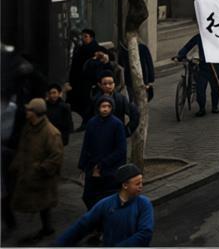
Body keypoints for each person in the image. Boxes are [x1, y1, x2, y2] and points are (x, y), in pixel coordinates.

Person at [55, 164, 153, 247]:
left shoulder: (144, 204)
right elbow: (83, 225)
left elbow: (145, 234)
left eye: (141, 182)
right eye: (137, 183)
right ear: (125, 185)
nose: (141, 186)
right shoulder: (106, 204)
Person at [11, 98, 63, 242]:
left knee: (43, 205)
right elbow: (23, 149)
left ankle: (46, 230)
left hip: (42, 179)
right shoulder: (29, 128)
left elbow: (56, 157)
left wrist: (40, 169)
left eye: (29, 110)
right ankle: (45, 228)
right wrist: (17, 166)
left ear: (35, 113)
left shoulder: (51, 133)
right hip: (29, 176)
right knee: (37, 205)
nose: (26, 112)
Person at [78, 96, 127, 209]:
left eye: (108, 106)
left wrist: (103, 163)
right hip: (92, 167)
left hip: (109, 169)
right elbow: (86, 145)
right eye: (103, 106)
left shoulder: (117, 124)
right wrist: (82, 164)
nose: (105, 109)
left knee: (107, 196)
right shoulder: (92, 123)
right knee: (88, 197)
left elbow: (121, 149)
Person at [175, 34, 219, 116]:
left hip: (214, 65)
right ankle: (202, 108)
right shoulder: (200, 36)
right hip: (203, 66)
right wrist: (180, 56)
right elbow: (188, 46)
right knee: (200, 89)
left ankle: (215, 106)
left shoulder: (218, 35)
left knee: (216, 88)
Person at [91, 71, 140, 137]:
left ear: (114, 84)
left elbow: (134, 113)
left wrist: (128, 130)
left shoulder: (120, 98)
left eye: (110, 83)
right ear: (99, 85)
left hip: (118, 134)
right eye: (105, 84)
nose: (108, 86)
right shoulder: (95, 100)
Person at [67, 28, 101, 121]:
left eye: (86, 36)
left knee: (86, 102)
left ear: (91, 38)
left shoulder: (94, 49)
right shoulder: (81, 48)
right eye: (83, 36)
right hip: (79, 80)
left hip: (87, 82)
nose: (83, 38)